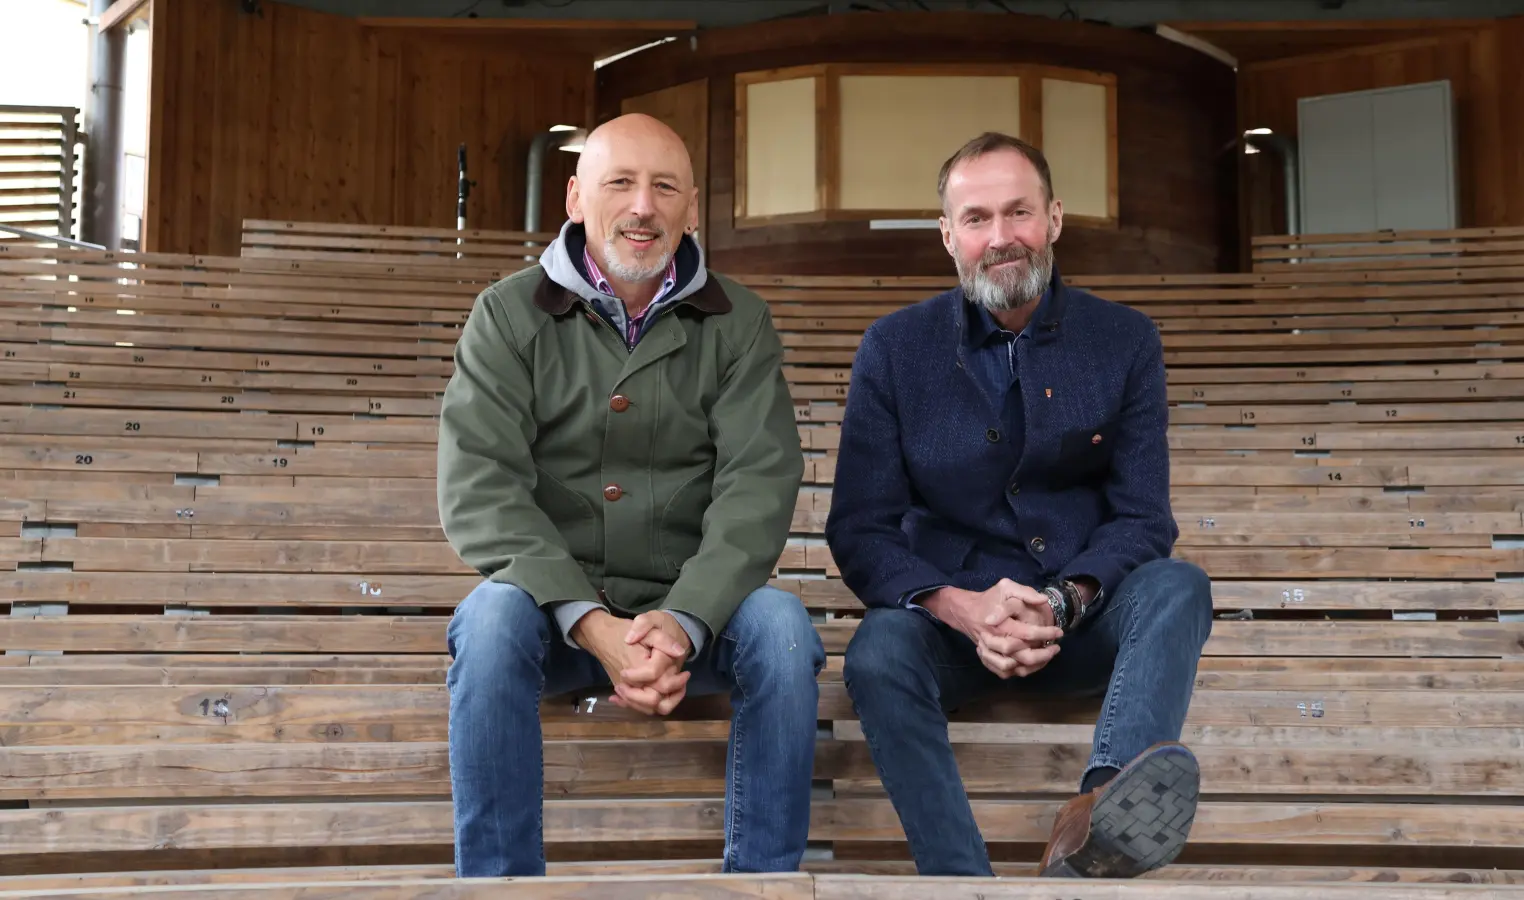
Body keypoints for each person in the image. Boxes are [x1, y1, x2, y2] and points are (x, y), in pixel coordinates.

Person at [436, 112, 823, 878]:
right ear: (576, 198)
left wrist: (681, 622)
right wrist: (591, 625)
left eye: (665, 187)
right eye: (620, 182)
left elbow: (757, 482)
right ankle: (499, 890)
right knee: (487, 621)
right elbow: (481, 485)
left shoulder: (740, 323)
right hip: (551, 618)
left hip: (696, 624)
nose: (643, 206)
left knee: (782, 630)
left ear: (691, 209)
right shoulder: (507, 314)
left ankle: (764, 887)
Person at [824, 131, 1213, 880]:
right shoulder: (893, 348)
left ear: (1054, 218)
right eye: (976, 218)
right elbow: (860, 529)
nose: (1001, 237)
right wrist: (963, 609)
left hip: (1083, 621)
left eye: (1019, 212)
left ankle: (1100, 815)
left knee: (1178, 586)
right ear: (948, 236)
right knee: (876, 651)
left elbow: (1143, 518)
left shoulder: (1126, 340)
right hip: (953, 632)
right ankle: (962, 884)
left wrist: (1064, 601)